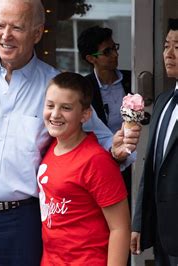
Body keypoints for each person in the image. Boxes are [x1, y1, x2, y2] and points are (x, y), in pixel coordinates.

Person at [0, 0, 141, 265]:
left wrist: (117, 148)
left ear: (37, 32)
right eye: (0, 26)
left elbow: (102, 141)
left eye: (16, 27)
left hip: (24, 221)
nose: (5, 35)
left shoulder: (55, 87)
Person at [38, 72, 130, 265]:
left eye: (66, 108)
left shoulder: (96, 160)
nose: (55, 114)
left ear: (85, 115)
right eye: (50, 105)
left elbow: (120, 228)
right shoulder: (50, 147)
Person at [77, 25, 133, 238]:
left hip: (132, 160)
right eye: (107, 51)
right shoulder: (85, 87)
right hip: (101, 162)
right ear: (91, 58)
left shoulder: (131, 79)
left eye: (115, 48)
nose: (115, 54)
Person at [131, 18, 178, 265]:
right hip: (161, 233)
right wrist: (140, 223)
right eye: (166, 45)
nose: (168, 54)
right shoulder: (163, 101)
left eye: (177, 47)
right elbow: (151, 169)